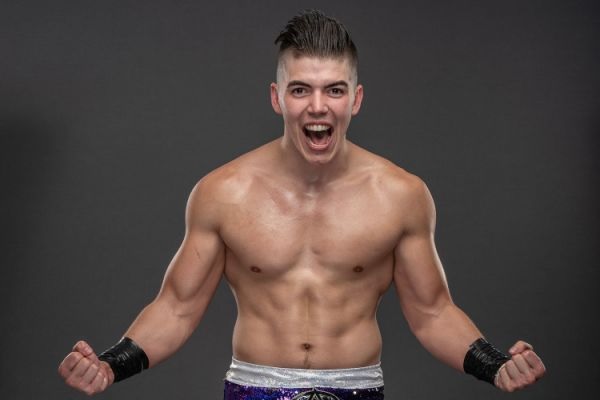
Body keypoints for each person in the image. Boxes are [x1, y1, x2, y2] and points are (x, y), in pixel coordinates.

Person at [58, 10, 545, 400]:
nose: (317, 106)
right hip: (254, 389)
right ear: (277, 98)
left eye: (334, 89)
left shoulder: (400, 194)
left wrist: (494, 365)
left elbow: (432, 312)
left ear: (356, 99)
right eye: (300, 90)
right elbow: (177, 308)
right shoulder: (224, 191)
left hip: (356, 389)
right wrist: (111, 364)